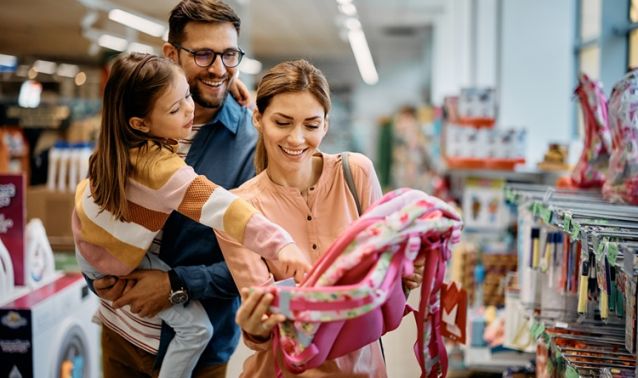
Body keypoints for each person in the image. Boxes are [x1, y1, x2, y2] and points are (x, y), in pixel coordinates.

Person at [73, 52, 311, 378]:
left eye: (187, 93)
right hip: (117, 278)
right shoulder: (163, 170)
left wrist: (233, 92)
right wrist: (280, 244)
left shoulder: (114, 144)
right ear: (140, 123)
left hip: (90, 246)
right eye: (176, 107)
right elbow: (227, 210)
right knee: (197, 330)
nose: (190, 108)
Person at [88, 1, 269, 377]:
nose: (219, 69)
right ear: (171, 53)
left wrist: (176, 284)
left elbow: (261, 262)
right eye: (203, 54)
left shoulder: (251, 145)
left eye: (229, 54)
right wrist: (96, 269)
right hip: (120, 331)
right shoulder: (133, 118)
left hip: (195, 353)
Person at [218, 59, 425, 377]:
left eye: (311, 125)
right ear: (258, 118)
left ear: (326, 125)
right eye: (283, 122)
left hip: (364, 370)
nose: (297, 139)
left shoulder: (355, 174)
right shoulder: (239, 210)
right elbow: (264, 333)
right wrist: (257, 327)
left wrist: (402, 275)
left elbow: (383, 290)